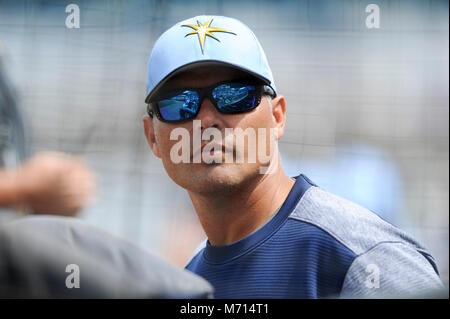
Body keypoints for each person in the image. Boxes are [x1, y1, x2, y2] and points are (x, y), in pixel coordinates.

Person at [142, 15, 444, 298]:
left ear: (277, 117)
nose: (206, 121)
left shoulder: (363, 256)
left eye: (234, 95)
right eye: (180, 104)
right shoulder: (191, 281)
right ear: (153, 137)